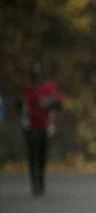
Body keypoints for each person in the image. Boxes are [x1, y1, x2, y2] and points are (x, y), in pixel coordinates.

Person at [15, 62, 63, 196]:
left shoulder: (49, 88)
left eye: (39, 74)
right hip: (29, 126)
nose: (37, 77)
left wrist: (48, 103)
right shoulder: (26, 88)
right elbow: (18, 102)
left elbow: (58, 103)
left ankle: (40, 180)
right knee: (31, 155)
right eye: (35, 75)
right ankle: (34, 182)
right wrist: (21, 108)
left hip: (45, 126)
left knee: (42, 154)